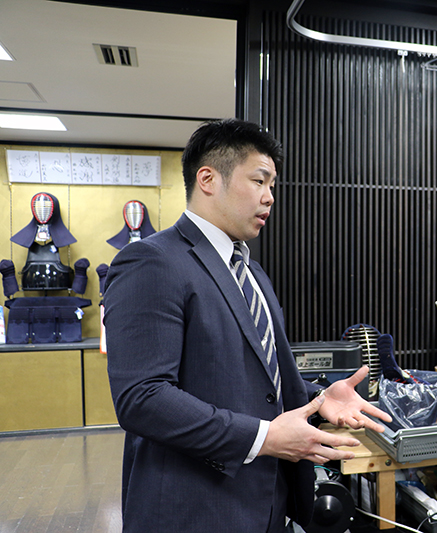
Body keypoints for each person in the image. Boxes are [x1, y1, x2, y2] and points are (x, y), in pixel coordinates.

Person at [104, 118, 391, 532]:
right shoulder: (152, 261)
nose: (269, 197)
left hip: (267, 503)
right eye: (259, 181)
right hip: (196, 508)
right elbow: (143, 398)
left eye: (272, 185)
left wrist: (317, 397)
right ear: (208, 179)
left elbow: (250, 378)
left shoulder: (251, 271)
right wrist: (263, 438)